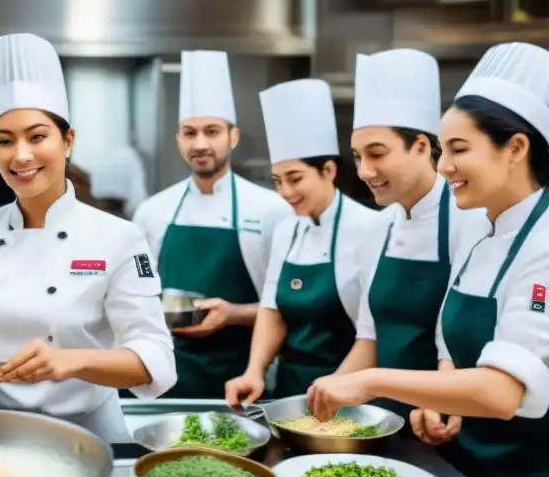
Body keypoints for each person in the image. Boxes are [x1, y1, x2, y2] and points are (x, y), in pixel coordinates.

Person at [306, 41, 549, 477]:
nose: (444, 167)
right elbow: (449, 345)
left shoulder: (543, 243)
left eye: (459, 150)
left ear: (517, 148)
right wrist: (441, 394)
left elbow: (503, 392)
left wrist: (371, 382)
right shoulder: (485, 232)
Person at [0, 33, 176, 443]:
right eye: (5, 141)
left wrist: (70, 362)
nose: (20, 155)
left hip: (89, 434)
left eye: (37, 137)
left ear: (67, 140)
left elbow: (156, 358)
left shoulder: (119, 238)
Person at [335, 49, 489, 419]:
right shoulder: (376, 230)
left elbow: (457, 344)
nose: (364, 171)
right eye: (357, 156)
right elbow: (369, 338)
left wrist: (439, 405)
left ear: (422, 146)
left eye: (376, 154)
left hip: (450, 418)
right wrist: (327, 393)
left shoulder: (473, 220)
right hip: (381, 419)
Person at [132, 51, 288, 398]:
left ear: (233, 137)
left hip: (241, 381)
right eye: (189, 132)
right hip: (165, 379)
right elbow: (137, 291)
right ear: (178, 140)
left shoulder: (270, 211)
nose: (200, 144)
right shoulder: (152, 212)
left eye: (212, 131)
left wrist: (233, 314)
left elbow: (287, 307)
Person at [226, 80, 381, 404]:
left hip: (349, 391)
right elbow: (272, 311)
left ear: (328, 170)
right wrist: (254, 370)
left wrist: (333, 391)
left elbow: (373, 335)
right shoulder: (288, 228)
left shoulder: (371, 229)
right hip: (289, 390)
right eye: (278, 181)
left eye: (295, 179)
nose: (285, 193)